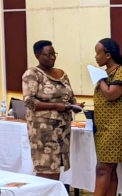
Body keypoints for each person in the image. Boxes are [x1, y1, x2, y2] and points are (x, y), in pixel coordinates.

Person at [78, 38, 122, 196]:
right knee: (108, 169)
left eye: (98, 53)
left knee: (103, 168)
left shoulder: (121, 71)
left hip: (117, 128)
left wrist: (100, 79)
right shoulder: (107, 72)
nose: (96, 56)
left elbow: (112, 93)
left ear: (108, 55)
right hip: (104, 127)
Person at [22, 40, 82, 181]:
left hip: (62, 128)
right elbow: (29, 101)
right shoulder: (32, 73)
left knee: (56, 165)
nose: (52, 57)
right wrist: (55, 106)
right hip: (43, 130)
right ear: (37, 55)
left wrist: (75, 105)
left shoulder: (61, 74)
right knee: (46, 166)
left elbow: (69, 96)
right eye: (48, 55)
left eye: (53, 54)